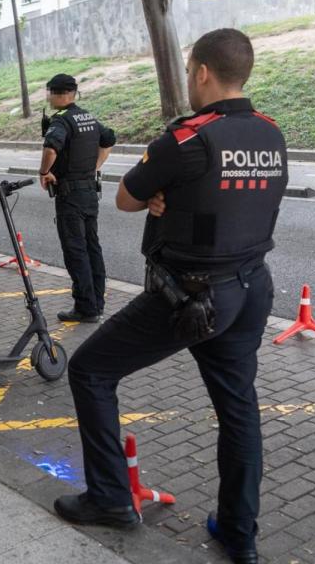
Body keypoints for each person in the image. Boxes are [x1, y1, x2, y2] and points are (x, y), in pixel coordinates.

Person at [53, 30, 287, 564]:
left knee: (90, 370)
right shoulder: (271, 134)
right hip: (251, 289)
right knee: (239, 410)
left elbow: (126, 198)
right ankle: (239, 533)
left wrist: (161, 195)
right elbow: (234, 201)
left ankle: (111, 499)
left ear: (202, 71)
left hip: (191, 297)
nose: (187, 78)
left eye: (188, 70)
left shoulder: (187, 139)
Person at [38, 74, 116, 323]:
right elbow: (109, 139)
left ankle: (86, 308)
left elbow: (51, 148)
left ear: (58, 94)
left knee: (76, 251)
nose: (48, 97)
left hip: (70, 196)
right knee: (93, 248)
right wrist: (95, 166)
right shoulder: (89, 117)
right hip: (89, 193)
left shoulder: (61, 121)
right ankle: (97, 303)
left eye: (50, 92)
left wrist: (44, 172)